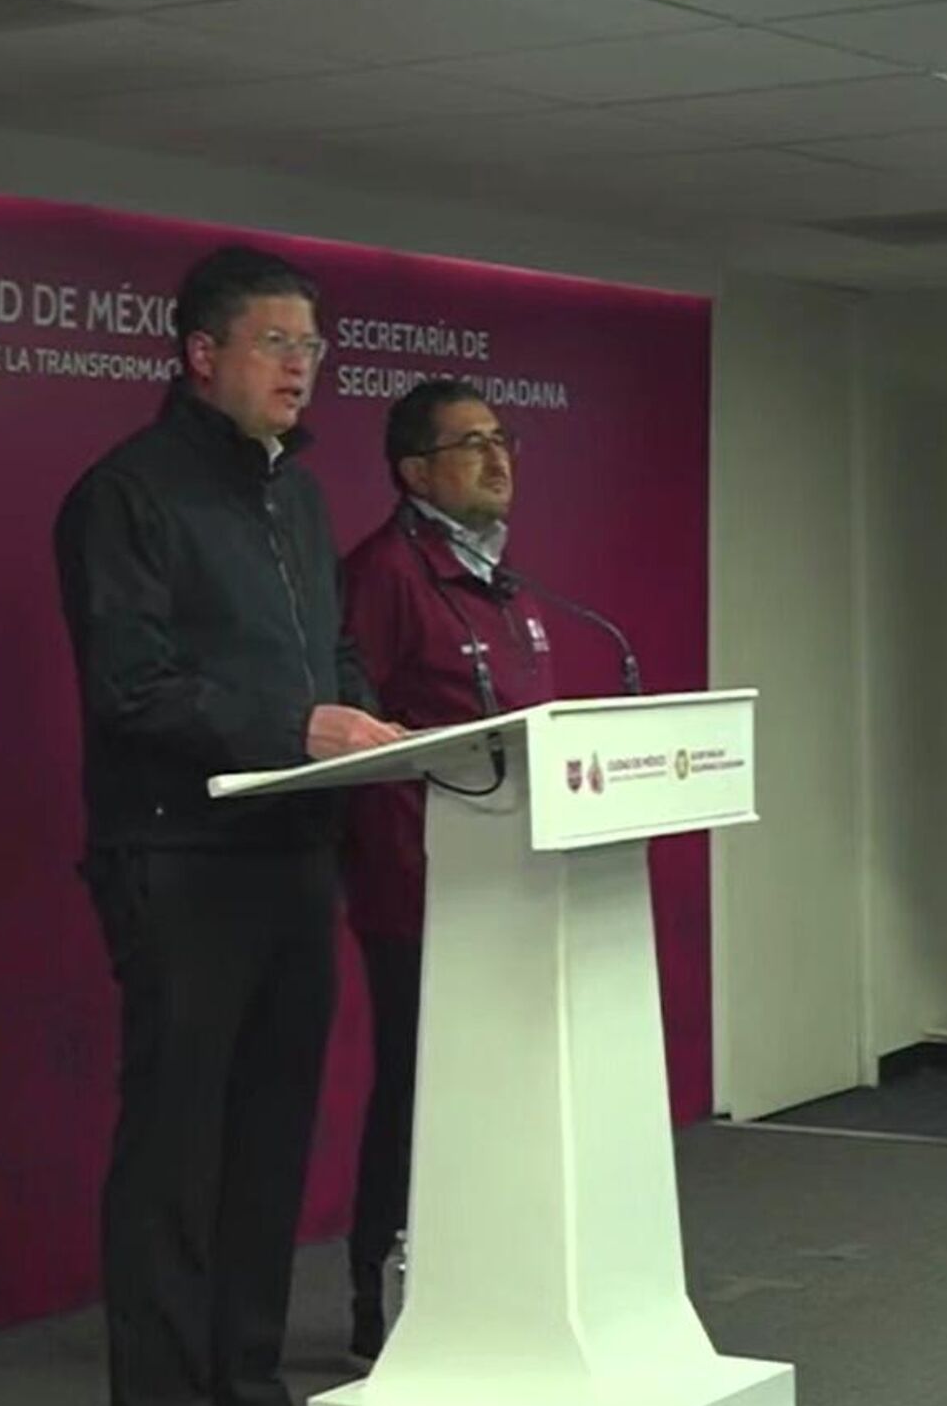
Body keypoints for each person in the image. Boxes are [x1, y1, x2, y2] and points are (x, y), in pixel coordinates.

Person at [53, 244, 405, 1406]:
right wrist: (294, 726)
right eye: (275, 343)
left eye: (311, 346)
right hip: (181, 860)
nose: (301, 366)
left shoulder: (296, 494)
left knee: (270, 1142)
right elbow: (132, 687)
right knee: (177, 1150)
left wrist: (369, 723)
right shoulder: (127, 494)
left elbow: (330, 651)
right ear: (202, 354)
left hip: (295, 856)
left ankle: (246, 1380)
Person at [337, 378, 559, 1363]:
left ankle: (487, 1286)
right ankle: (379, 1299)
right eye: (471, 443)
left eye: (502, 438)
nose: (497, 457)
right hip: (419, 886)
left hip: (515, 881)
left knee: (500, 1092)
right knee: (418, 1090)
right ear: (415, 473)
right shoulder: (385, 574)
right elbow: (360, 738)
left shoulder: (503, 579)